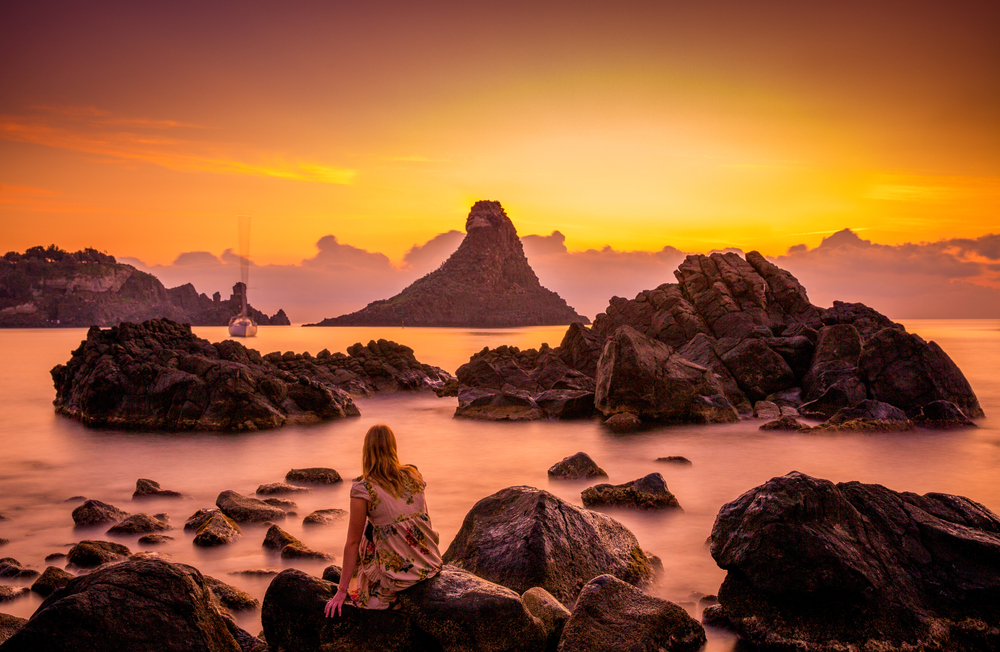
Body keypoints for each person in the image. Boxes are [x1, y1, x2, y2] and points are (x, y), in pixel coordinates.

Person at [324, 424, 442, 616]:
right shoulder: (414, 475)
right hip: (429, 562)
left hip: (397, 576)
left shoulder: (363, 489)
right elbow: (423, 520)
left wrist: (341, 591)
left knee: (363, 535)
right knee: (381, 525)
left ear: (366, 450)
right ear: (393, 447)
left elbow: (352, 543)